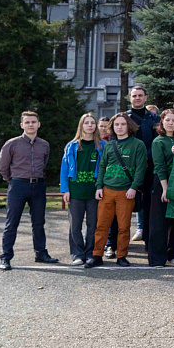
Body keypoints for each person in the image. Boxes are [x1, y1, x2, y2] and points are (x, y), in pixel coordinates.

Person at [0, 111, 54, 270]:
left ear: (38, 124)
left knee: (39, 222)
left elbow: (44, 162)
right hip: (18, 186)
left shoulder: (44, 145)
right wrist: (14, 180)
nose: (31, 124)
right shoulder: (12, 144)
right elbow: (2, 168)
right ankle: (6, 257)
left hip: (38, 186)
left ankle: (41, 253)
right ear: (22, 125)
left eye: (33, 122)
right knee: (12, 223)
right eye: (27, 122)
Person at [90, 113, 147, 268]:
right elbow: (102, 167)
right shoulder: (109, 145)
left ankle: (122, 255)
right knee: (101, 225)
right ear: (112, 127)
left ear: (129, 126)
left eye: (123, 124)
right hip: (107, 190)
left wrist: (134, 187)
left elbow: (141, 168)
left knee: (123, 227)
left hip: (126, 192)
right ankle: (96, 255)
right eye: (117, 125)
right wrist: (99, 187)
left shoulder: (137, 145)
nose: (120, 127)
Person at [60, 113, 105, 266]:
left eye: (93, 123)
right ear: (81, 126)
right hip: (75, 191)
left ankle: (91, 253)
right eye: (86, 123)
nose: (90, 125)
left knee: (93, 225)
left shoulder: (102, 146)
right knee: (75, 225)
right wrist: (65, 190)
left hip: (94, 192)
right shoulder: (72, 145)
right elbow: (64, 169)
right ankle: (77, 254)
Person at [148, 109, 174, 267]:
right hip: (162, 182)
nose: (170, 123)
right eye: (167, 120)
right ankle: (157, 258)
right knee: (159, 222)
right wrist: (165, 189)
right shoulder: (158, 141)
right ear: (162, 122)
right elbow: (159, 166)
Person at [125, 86, 161, 245]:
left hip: (149, 168)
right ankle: (116, 244)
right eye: (134, 95)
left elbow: (158, 143)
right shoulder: (123, 118)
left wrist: (145, 158)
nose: (137, 98)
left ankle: (148, 240)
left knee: (147, 207)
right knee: (122, 208)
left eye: (140, 95)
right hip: (127, 169)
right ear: (130, 98)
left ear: (146, 98)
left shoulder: (155, 119)